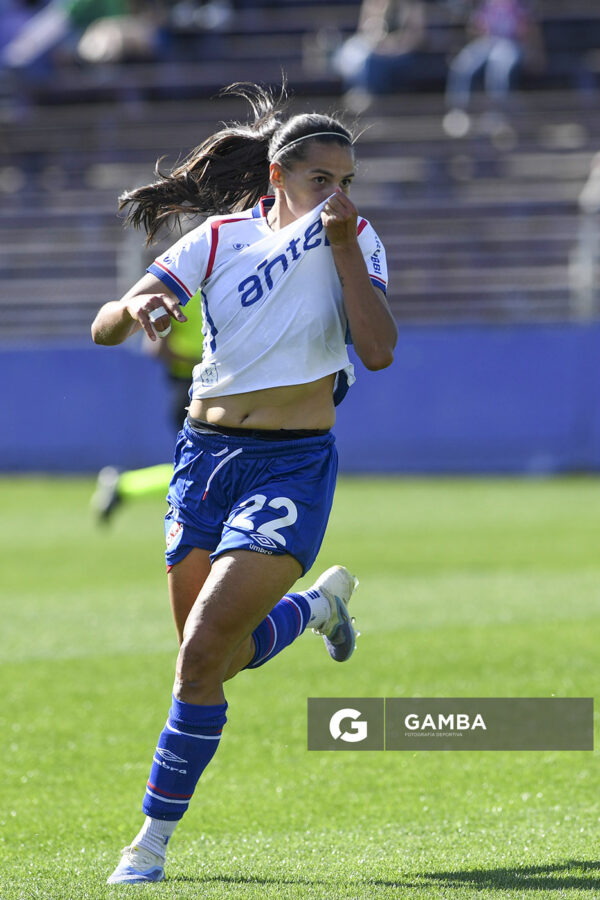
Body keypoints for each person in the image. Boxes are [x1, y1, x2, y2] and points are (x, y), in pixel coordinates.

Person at [91, 82, 397, 885]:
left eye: (346, 180)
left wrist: (338, 249)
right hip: (203, 459)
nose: (338, 194)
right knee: (215, 662)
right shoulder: (218, 240)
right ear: (278, 176)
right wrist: (139, 307)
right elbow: (107, 323)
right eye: (320, 180)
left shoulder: (357, 240)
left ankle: (148, 844)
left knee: (196, 661)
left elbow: (379, 350)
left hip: (292, 465)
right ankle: (316, 608)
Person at [91, 291, 204, 522]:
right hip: (190, 390)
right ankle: (124, 486)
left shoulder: (227, 286)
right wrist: (203, 363)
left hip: (209, 388)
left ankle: (124, 486)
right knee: (199, 468)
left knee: (200, 467)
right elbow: (155, 348)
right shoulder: (183, 294)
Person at [444, 0, 544, 133]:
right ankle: (458, 112)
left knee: (498, 69)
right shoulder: (487, 4)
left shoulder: (519, 5)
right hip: (488, 41)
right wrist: (478, 28)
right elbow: (475, 28)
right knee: (463, 63)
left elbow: (528, 29)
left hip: (510, 43)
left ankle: (497, 115)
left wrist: (533, 51)